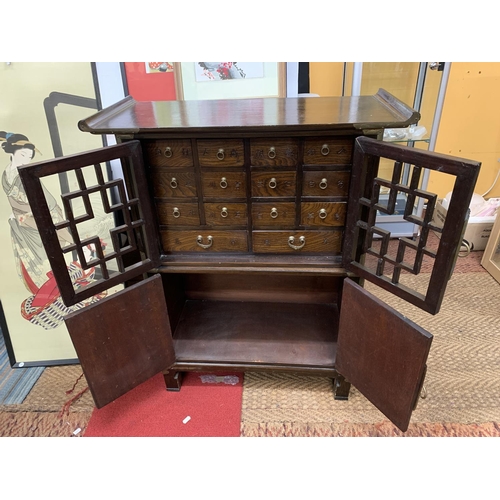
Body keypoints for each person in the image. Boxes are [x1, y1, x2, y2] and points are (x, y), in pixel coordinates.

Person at [1, 132, 106, 329]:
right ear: (12, 152)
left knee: (64, 254)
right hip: (31, 224)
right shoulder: (12, 176)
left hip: (35, 219)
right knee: (47, 263)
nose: (27, 159)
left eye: (29, 156)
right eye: (23, 154)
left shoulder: (19, 173)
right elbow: (34, 206)